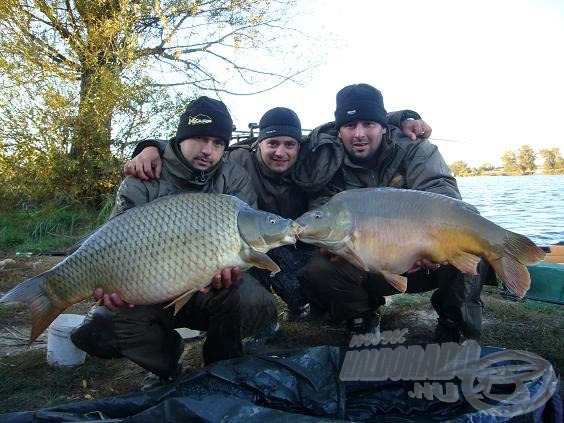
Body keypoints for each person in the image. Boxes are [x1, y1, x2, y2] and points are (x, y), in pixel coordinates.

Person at [125, 106, 433, 321]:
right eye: (272, 143)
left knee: (313, 276)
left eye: (289, 144)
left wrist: (403, 117)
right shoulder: (237, 161)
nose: (280, 152)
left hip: (298, 238)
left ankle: (322, 307)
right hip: (251, 241)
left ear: (300, 146)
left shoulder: (314, 158)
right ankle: (259, 315)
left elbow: (353, 124)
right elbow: (197, 147)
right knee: (252, 279)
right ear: (258, 144)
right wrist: (151, 146)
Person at [70, 96, 278, 389]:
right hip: (146, 284)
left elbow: (245, 243)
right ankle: (166, 362)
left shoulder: (234, 178)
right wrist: (110, 284)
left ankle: (222, 366)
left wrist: (234, 270)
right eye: (200, 139)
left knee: (247, 297)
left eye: (218, 143)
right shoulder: (143, 176)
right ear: (181, 138)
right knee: (100, 326)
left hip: (208, 286)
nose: (208, 150)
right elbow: (115, 241)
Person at [294, 83, 485, 342]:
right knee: (318, 270)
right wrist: (331, 244)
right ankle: (361, 316)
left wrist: (431, 246)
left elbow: (444, 196)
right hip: (366, 260)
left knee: (471, 242)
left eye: (369, 124)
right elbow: (321, 212)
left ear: (384, 127)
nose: (359, 134)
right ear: (339, 131)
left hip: (425, 257)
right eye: (350, 126)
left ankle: (455, 323)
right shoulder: (328, 162)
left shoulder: (416, 148)